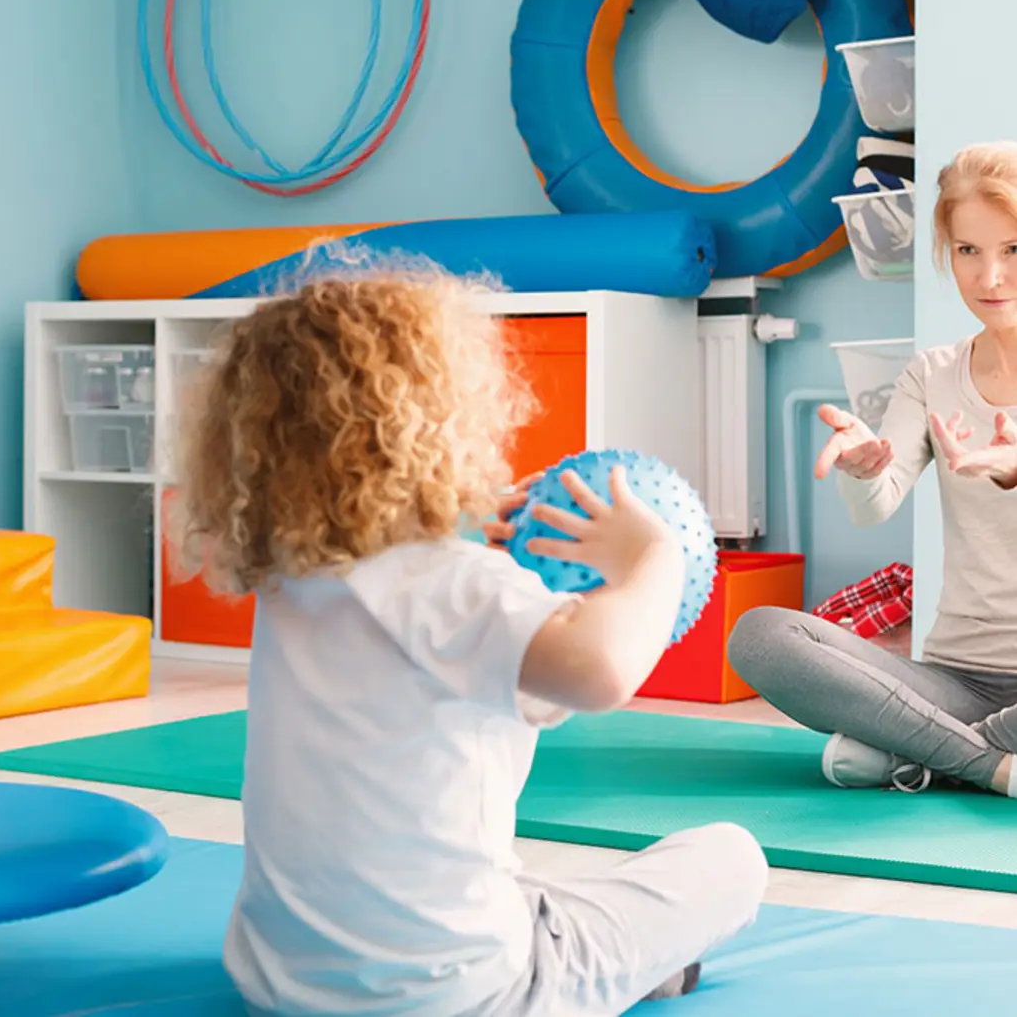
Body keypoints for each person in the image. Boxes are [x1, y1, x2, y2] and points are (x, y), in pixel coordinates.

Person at [168, 255, 767, 1017]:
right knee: (729, 857)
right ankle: (623, 972)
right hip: (466, 996)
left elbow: (429, 637)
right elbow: (600, 671)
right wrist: (653, 558)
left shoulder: (294, 583)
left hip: (283, 980)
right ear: (441, 424)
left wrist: (472, 553)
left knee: (534, 884)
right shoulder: (460, 586)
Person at [728, 141, 1017, 799]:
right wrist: (865, 467)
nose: (990, 278)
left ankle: (914, 749)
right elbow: (877, 505)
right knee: (764, 635)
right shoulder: (933, 373)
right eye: (969, 251)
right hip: (956, 680)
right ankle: (986, 763)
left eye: (1012, 251)